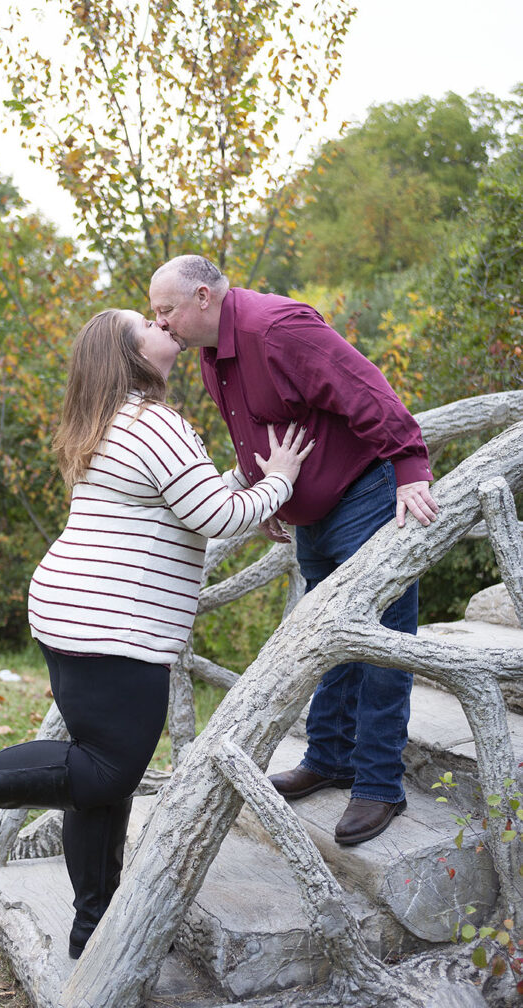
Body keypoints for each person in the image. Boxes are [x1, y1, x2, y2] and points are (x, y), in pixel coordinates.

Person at [0, 308, 315, 959]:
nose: (164, 327)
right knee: (104, 771)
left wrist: (249, 482)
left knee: (100, 776)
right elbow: (211, 516)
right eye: (147, 324)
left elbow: (185, 499)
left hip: (73, 615)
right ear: (129, 355)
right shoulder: (157, 423)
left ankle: (93, 925)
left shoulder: (109, 421)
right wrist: (281, 481)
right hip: (110, 625)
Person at [149, 255, 439, 847]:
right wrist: (269, 502)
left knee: (382, 644)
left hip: (365, 495)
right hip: (310, 518)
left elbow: (365, 387)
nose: (161, 324)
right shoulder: (212, 355)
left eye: (166, 310)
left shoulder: (275, 329)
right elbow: (256, 432)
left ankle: (380, 784)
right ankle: (330, 758)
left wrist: (410, 467)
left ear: (202, 297)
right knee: (325, 638)